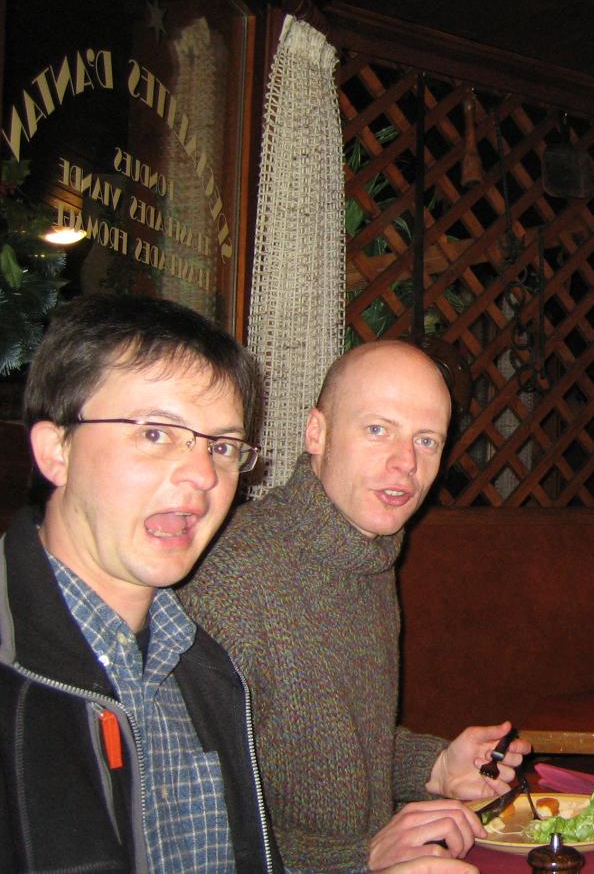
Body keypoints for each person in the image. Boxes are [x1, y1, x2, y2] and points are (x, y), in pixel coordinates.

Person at [180, 340, 530, 873]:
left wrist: (435, 766)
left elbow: (321, 753)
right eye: (378, 429)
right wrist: (358, 858)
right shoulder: (229, 578)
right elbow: (187, 829)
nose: (406, 463)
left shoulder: (368, 554)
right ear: (316, 433)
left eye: (426, 440)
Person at [0, 294, 283, 871]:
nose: (203, 474)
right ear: (56, 451)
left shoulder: (204, 667)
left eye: (222, 446)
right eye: (156, 433)